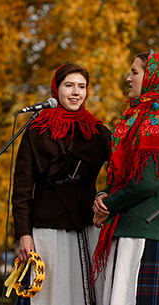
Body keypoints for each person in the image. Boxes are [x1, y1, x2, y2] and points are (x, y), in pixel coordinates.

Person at [91, 50, 159, 304]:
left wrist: (108, 205)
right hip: (138, 230)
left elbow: (147, 181)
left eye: (135, 72)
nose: (128, 78)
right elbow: (128, 177)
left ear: (152, 77)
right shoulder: (144, 117)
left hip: (146, 235)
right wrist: (104, 196)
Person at [11, 63, 111, 305]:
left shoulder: (98, 133)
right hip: (47, 231)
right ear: (56, 89)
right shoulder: (35, 130)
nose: (76, 92)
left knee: (86, 296)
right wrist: (24, 234)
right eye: (69, 86)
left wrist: (106, 195)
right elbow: (22, 188)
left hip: (88, 229)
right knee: (50, 296)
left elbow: (120, 174)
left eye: (82, 86)